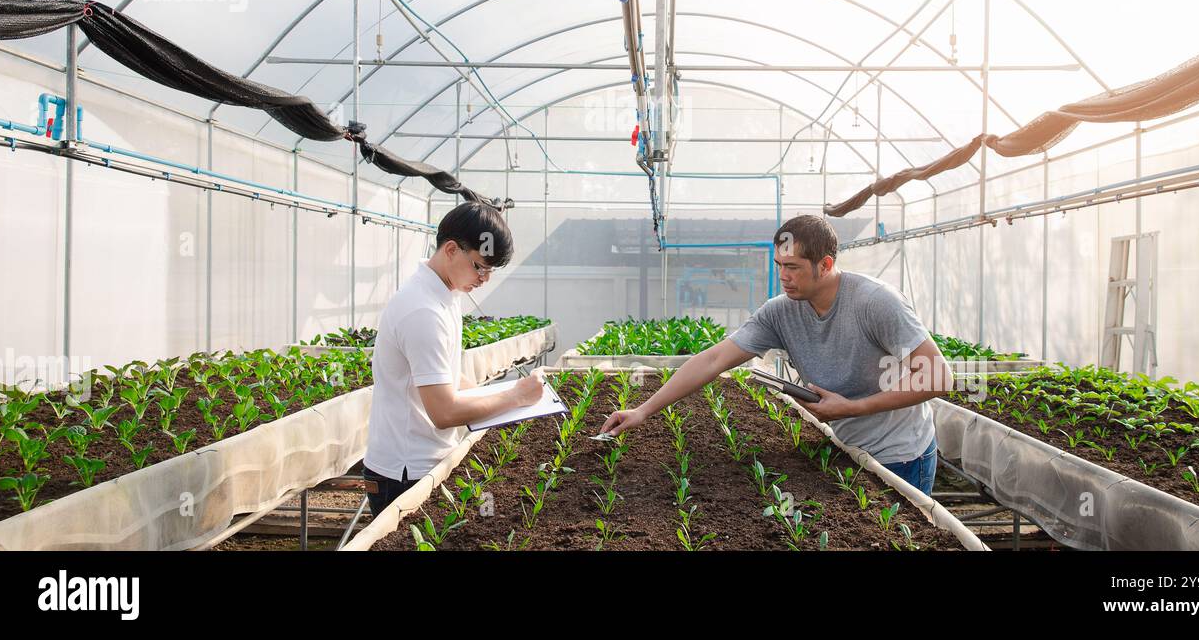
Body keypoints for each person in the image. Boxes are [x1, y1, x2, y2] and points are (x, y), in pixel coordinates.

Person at [601, 214, 952, 495]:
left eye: (794, 267)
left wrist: (853, 407)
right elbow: (712, 360)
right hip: (844, 447)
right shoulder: (780, 311)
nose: (783, 277)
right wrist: (644, 410)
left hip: (900, 456)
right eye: (778, 265)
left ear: (825, 264)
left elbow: (939, 377)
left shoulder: (876, 302)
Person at [362, 201, 543, 516]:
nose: (484, 278)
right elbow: (443, 412)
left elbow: (446, 374)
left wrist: (497, 398)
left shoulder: (443, 297)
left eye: (490, 270)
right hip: (405, 473)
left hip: (422, 462)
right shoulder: (423, 311)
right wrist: (513, 396)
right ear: (450, 249)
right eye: (479, 266)